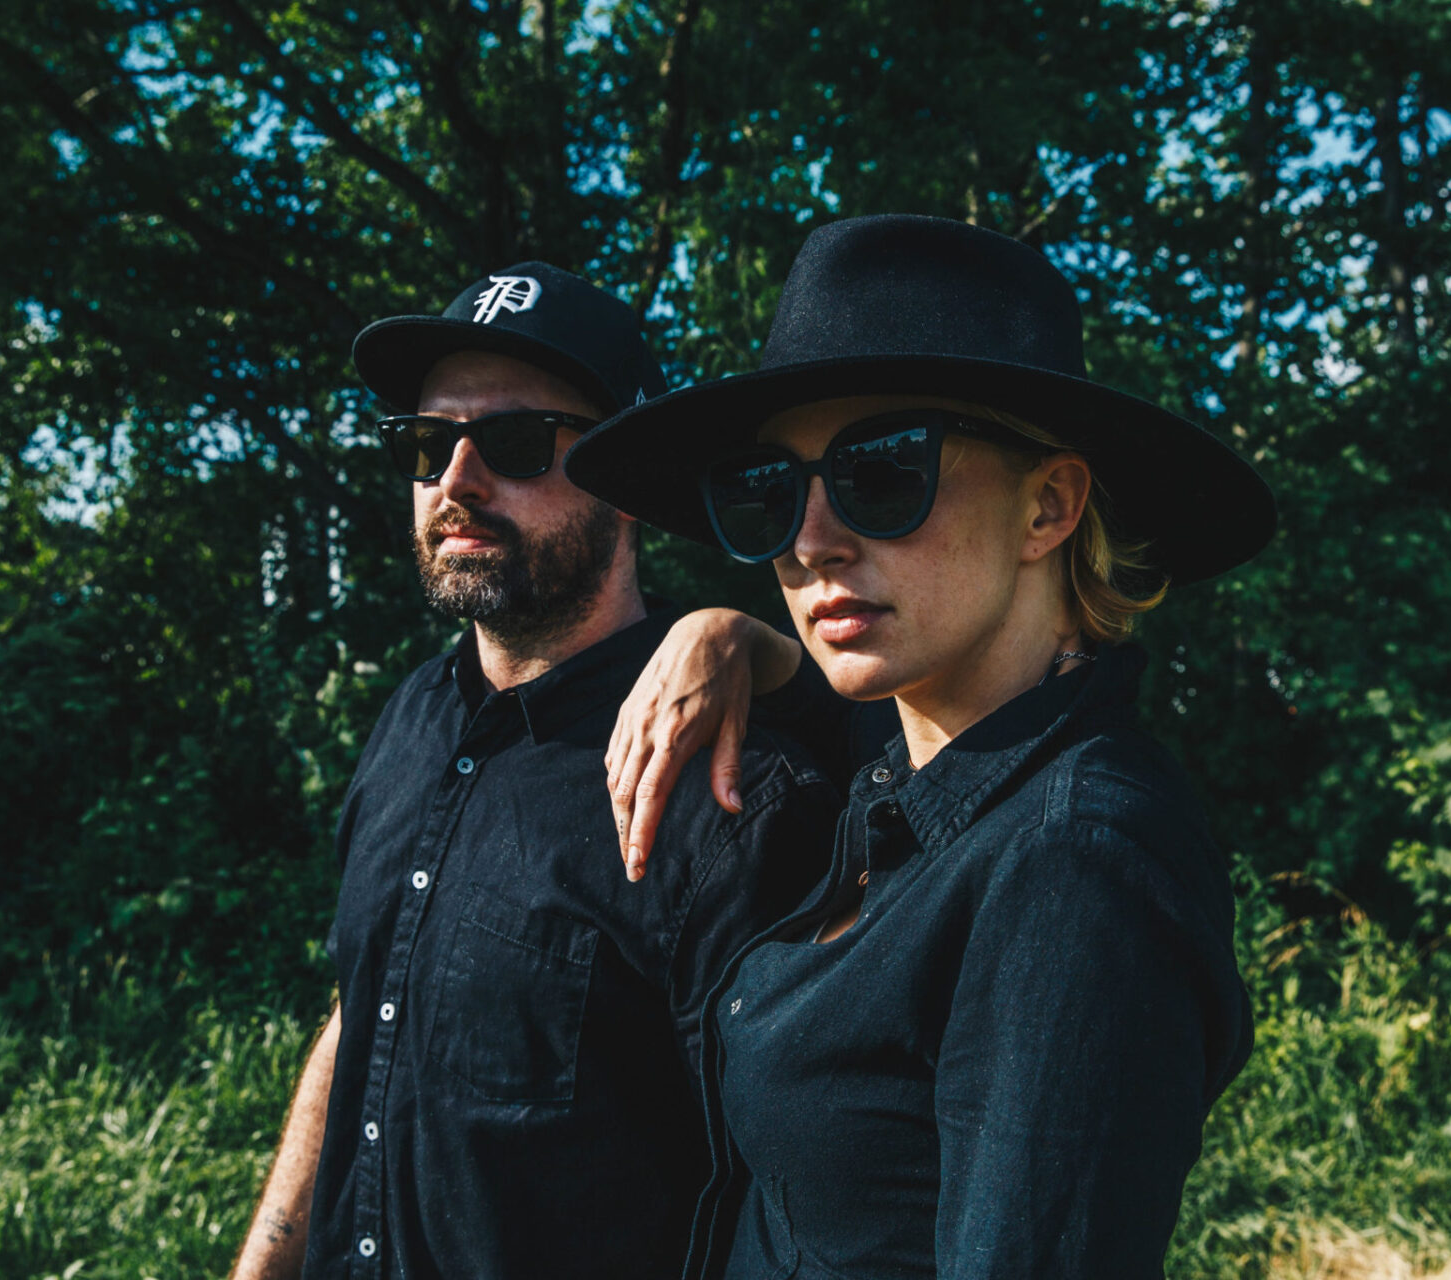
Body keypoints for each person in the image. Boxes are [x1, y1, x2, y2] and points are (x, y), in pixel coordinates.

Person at [563, 214, 1277, 1278]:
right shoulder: (910, 772)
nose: (812, 541)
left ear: (1048, 505)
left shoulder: (1072, 863)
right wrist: (726, 635)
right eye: (768, 490)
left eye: (883, 472)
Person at [230, 262, 839, 1280]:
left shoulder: (729, 789)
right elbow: (366, 1009)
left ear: (627, 483)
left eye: (514, 442)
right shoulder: (411, 717)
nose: (457, 480)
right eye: (427, 443)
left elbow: (789, 1203)